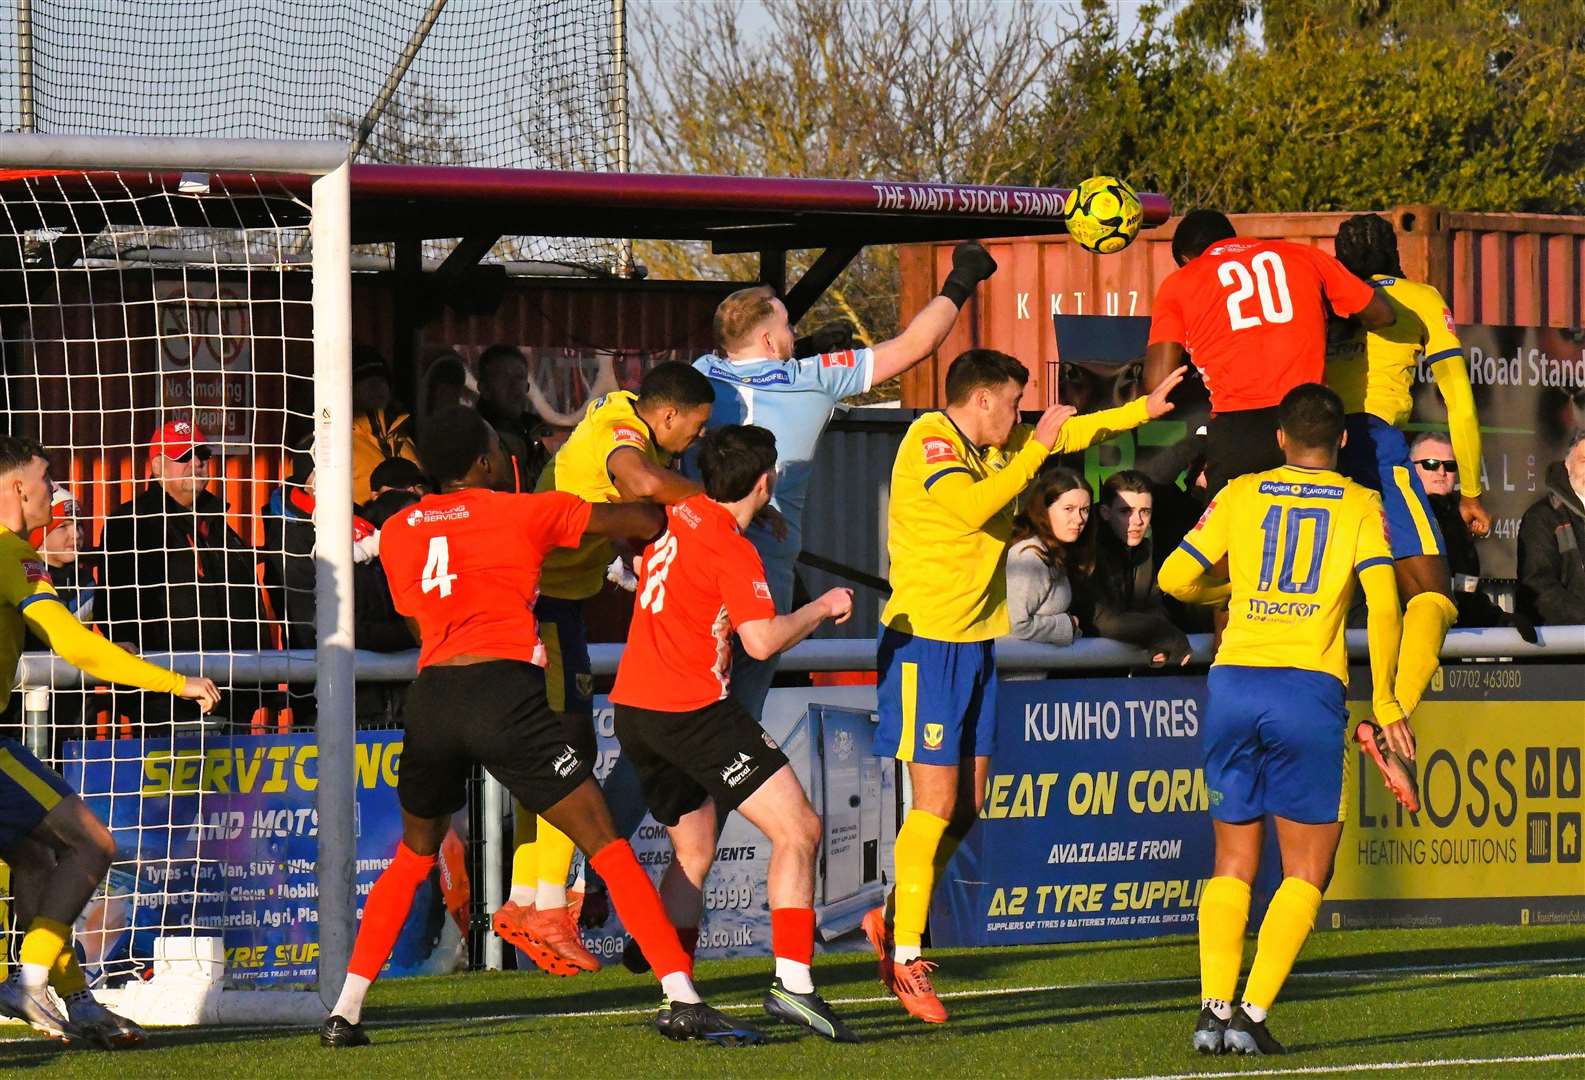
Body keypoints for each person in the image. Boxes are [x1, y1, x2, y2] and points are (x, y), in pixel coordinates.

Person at [319, 406, 759, 1049]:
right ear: (483, 462)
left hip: (434, 697)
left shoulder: (404, 527)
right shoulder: (522, 509)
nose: (505, 455)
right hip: (505, 695)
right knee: (605, 840)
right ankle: (682, 996)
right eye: (497, 447)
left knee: (415, 853)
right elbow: (641, 518)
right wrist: (688, 493)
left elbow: (417, 616)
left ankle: (345, 1011)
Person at [864, 348, 1185, 1024]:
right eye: (1011, 402)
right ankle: (905, 956)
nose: (1018, 415)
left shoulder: (993, 443)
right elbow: (975, 505)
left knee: (969, 805)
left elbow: (1062, 433)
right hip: (926, 642)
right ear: (980, 399)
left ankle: (893, 915)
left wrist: (1139, 412)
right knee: (934, 803)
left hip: (972, 642)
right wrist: (1034, 450)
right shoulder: (929, 440)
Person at [1157, 384, 1412, 1055]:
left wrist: (1235, 591)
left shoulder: (1240, 493)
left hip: (1235, 680)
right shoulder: (1360, 504)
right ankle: (1251, 1012)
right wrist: (1385, 700)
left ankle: (1211, 1011)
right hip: (1306, 688)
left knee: (1232, 860)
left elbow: (1174, 579)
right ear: (1342, 442)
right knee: (1306, 870)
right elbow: (1385, 606)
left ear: (1278, 437)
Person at [611, 425, 858, 1042]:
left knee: (693, 855)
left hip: (636, 710)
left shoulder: (686, 509)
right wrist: (821, 608)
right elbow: (761, 640)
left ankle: (679, 995)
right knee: (799, 828)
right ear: (767, 482)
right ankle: (794, 987)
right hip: (691, 711)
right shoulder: (731, 548)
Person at [693, 240, 999, 725]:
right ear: (771, 342)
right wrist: (963, 277)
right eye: (788, 328)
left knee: (678, 708)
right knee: (730, 725)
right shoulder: (814, 378)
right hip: (760, 575)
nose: (795, 334)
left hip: (693, 565)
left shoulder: (700, 375)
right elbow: (916, 345)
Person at [492, 361, 716, 975]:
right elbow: (640, 480)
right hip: (541, 603)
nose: (692, 445)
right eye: (693, 431)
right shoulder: (626, 433)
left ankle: (525, 900)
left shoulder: (621, 413)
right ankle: (543, 907)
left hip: (553, 600)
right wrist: (715, 503)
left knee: (560, 753)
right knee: (569, 754)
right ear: (667, 416)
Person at [0, 435, 220, 1046]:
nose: (55, 491)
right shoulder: (13, 555)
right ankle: (31, 979)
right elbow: (75, 646)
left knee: (36, 860)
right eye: (47, 479)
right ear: (19, 487)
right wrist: (173, 681)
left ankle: (76, 1001)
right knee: (94, 845)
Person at [1329, 212, 1491, 727]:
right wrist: (1469, 490)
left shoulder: (1321, 298)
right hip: (1374, 446)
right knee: (1430, 595)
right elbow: (1460, 405)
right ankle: (1390, 713)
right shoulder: (1419, 298)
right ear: (1395, 254)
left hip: (1311, 448)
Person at [1143, 209, 1395, 496]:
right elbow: (1383, 315)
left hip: (1240, 426)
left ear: (1187, 260)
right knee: (1318, 526)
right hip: (1309, 418)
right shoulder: (1304, 255)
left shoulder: (1180, 282)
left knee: (1238, 534)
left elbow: (1156, 384)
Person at [99, 420, 269, 660]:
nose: (197, 463)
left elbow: (250, 605)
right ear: (158, 465)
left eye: (201, 454)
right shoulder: (130, 523)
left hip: (236, 682)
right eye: (184, 456)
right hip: (166, 683)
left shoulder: (219, 523)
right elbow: (115, 611)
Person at [1090, 470, 1192, 666]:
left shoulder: (1145, 549)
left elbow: (1153, 604)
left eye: (1144, 511)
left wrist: (1159, 641)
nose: (1137, 521)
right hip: (1078, 679)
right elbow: (1101, 619)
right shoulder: (1088, 552)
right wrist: (1164, 633)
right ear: (1105, 513)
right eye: (1125, 511)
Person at [1411, 433, 1507, 628]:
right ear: (1410, 468)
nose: (1441, 472)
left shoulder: (1459, 520)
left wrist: (1498, 619)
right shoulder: (1398, 515)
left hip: (1455, 639)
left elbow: (1466, 588)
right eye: (1430, 464)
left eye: (1450, 466)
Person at [1005, 467, 1091, 648]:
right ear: (1044, 510)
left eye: (1085, 510)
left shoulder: (1057, 553)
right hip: (1020, 674)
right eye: (1069, 509)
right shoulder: (1028, 556)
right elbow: (1017, 626)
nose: (1079, 518)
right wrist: (1068, 625)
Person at [1517, 430, 1585, 627]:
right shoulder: (1542, 517)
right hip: (1561, 649)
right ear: (1567, 465)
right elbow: (1539, 586)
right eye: (1584, 461)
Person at [351, 347, 420, 504]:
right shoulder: (333, 443)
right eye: (364, 380)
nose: (376, 386)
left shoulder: (404, 436)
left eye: (381, 379)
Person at [476, 343, 547, 491]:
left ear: (527, 387)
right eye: (503, 377)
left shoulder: (537, 435)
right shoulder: (472, 436)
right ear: (484, 388)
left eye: (519, 377)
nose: (513, 386)